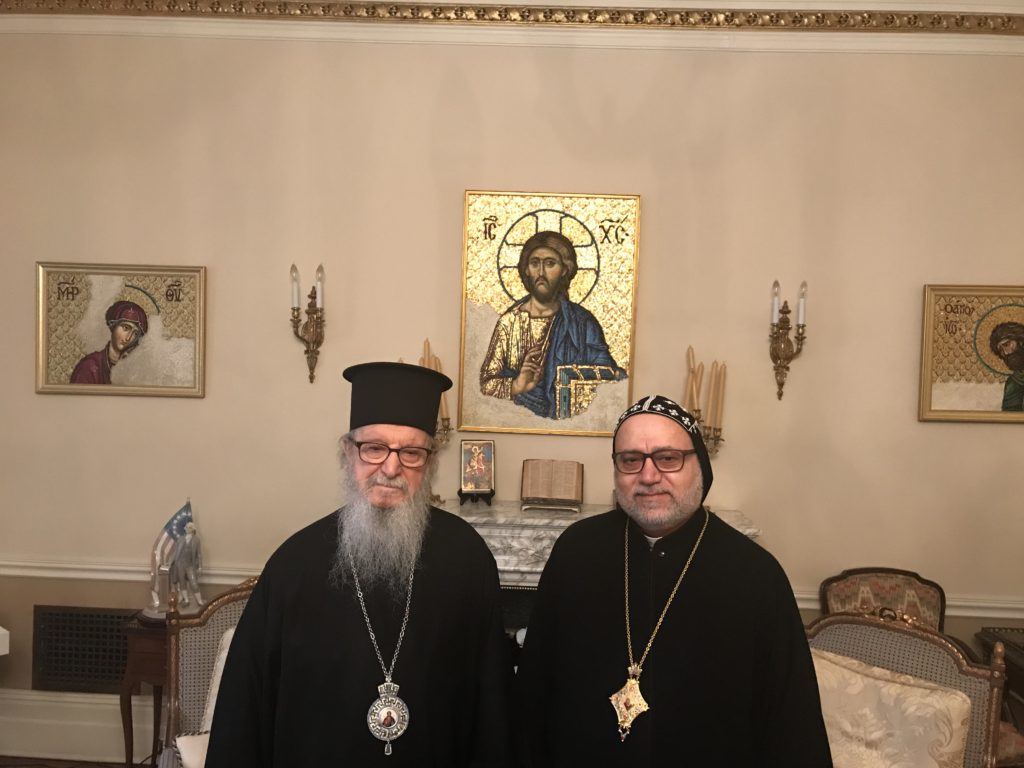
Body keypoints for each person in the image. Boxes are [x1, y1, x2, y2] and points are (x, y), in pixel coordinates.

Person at [207, 362, 512, 766]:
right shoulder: (294, 566)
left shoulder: (467, 559)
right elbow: (244, 711)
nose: (391, 468)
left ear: (429, 462)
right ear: (348, 452)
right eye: (374, 448)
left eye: (411, 453)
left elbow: (492, 705)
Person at [515, 394, 832, 766]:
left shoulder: (755, 575)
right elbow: (534, 691)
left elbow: (791, 723)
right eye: (631, 460)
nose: (648, 476)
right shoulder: (576, 551)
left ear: (700, 466)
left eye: (668, 458)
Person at [479, 230, 625, 419]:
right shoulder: (509, 323)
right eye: (534, 263)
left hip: (571, 422)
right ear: (526, 269)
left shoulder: (583, 323)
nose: (541, 273)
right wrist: (517, 385)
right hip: (519, 419)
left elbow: (609, 377)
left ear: (564, 269)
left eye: (550, 264)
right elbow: (486, 385)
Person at [70, 300, 148, 384]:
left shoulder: (134, 369)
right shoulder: (90, 366)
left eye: (135, 333)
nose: (128, 338)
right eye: (126, 328)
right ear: (113, 325)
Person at [989, 321, 1024, 411]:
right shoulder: (1012, 383)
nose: (1006, 352)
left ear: (1021, 341)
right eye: (1001, 350)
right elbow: (1009, 415)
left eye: (1006, 344)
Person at [169, 521, 204, 609]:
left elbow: (199, 554)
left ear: (193, 529)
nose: (187, 529)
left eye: (190, 527)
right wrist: (170, 562)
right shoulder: (180, 539)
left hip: (190, 564)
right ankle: (186, 600)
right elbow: (175, 552)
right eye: (187, 527)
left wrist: (200, 566)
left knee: (193, 582)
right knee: (182, 582)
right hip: (180, 564)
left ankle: (199, 601)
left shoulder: (196, 540)